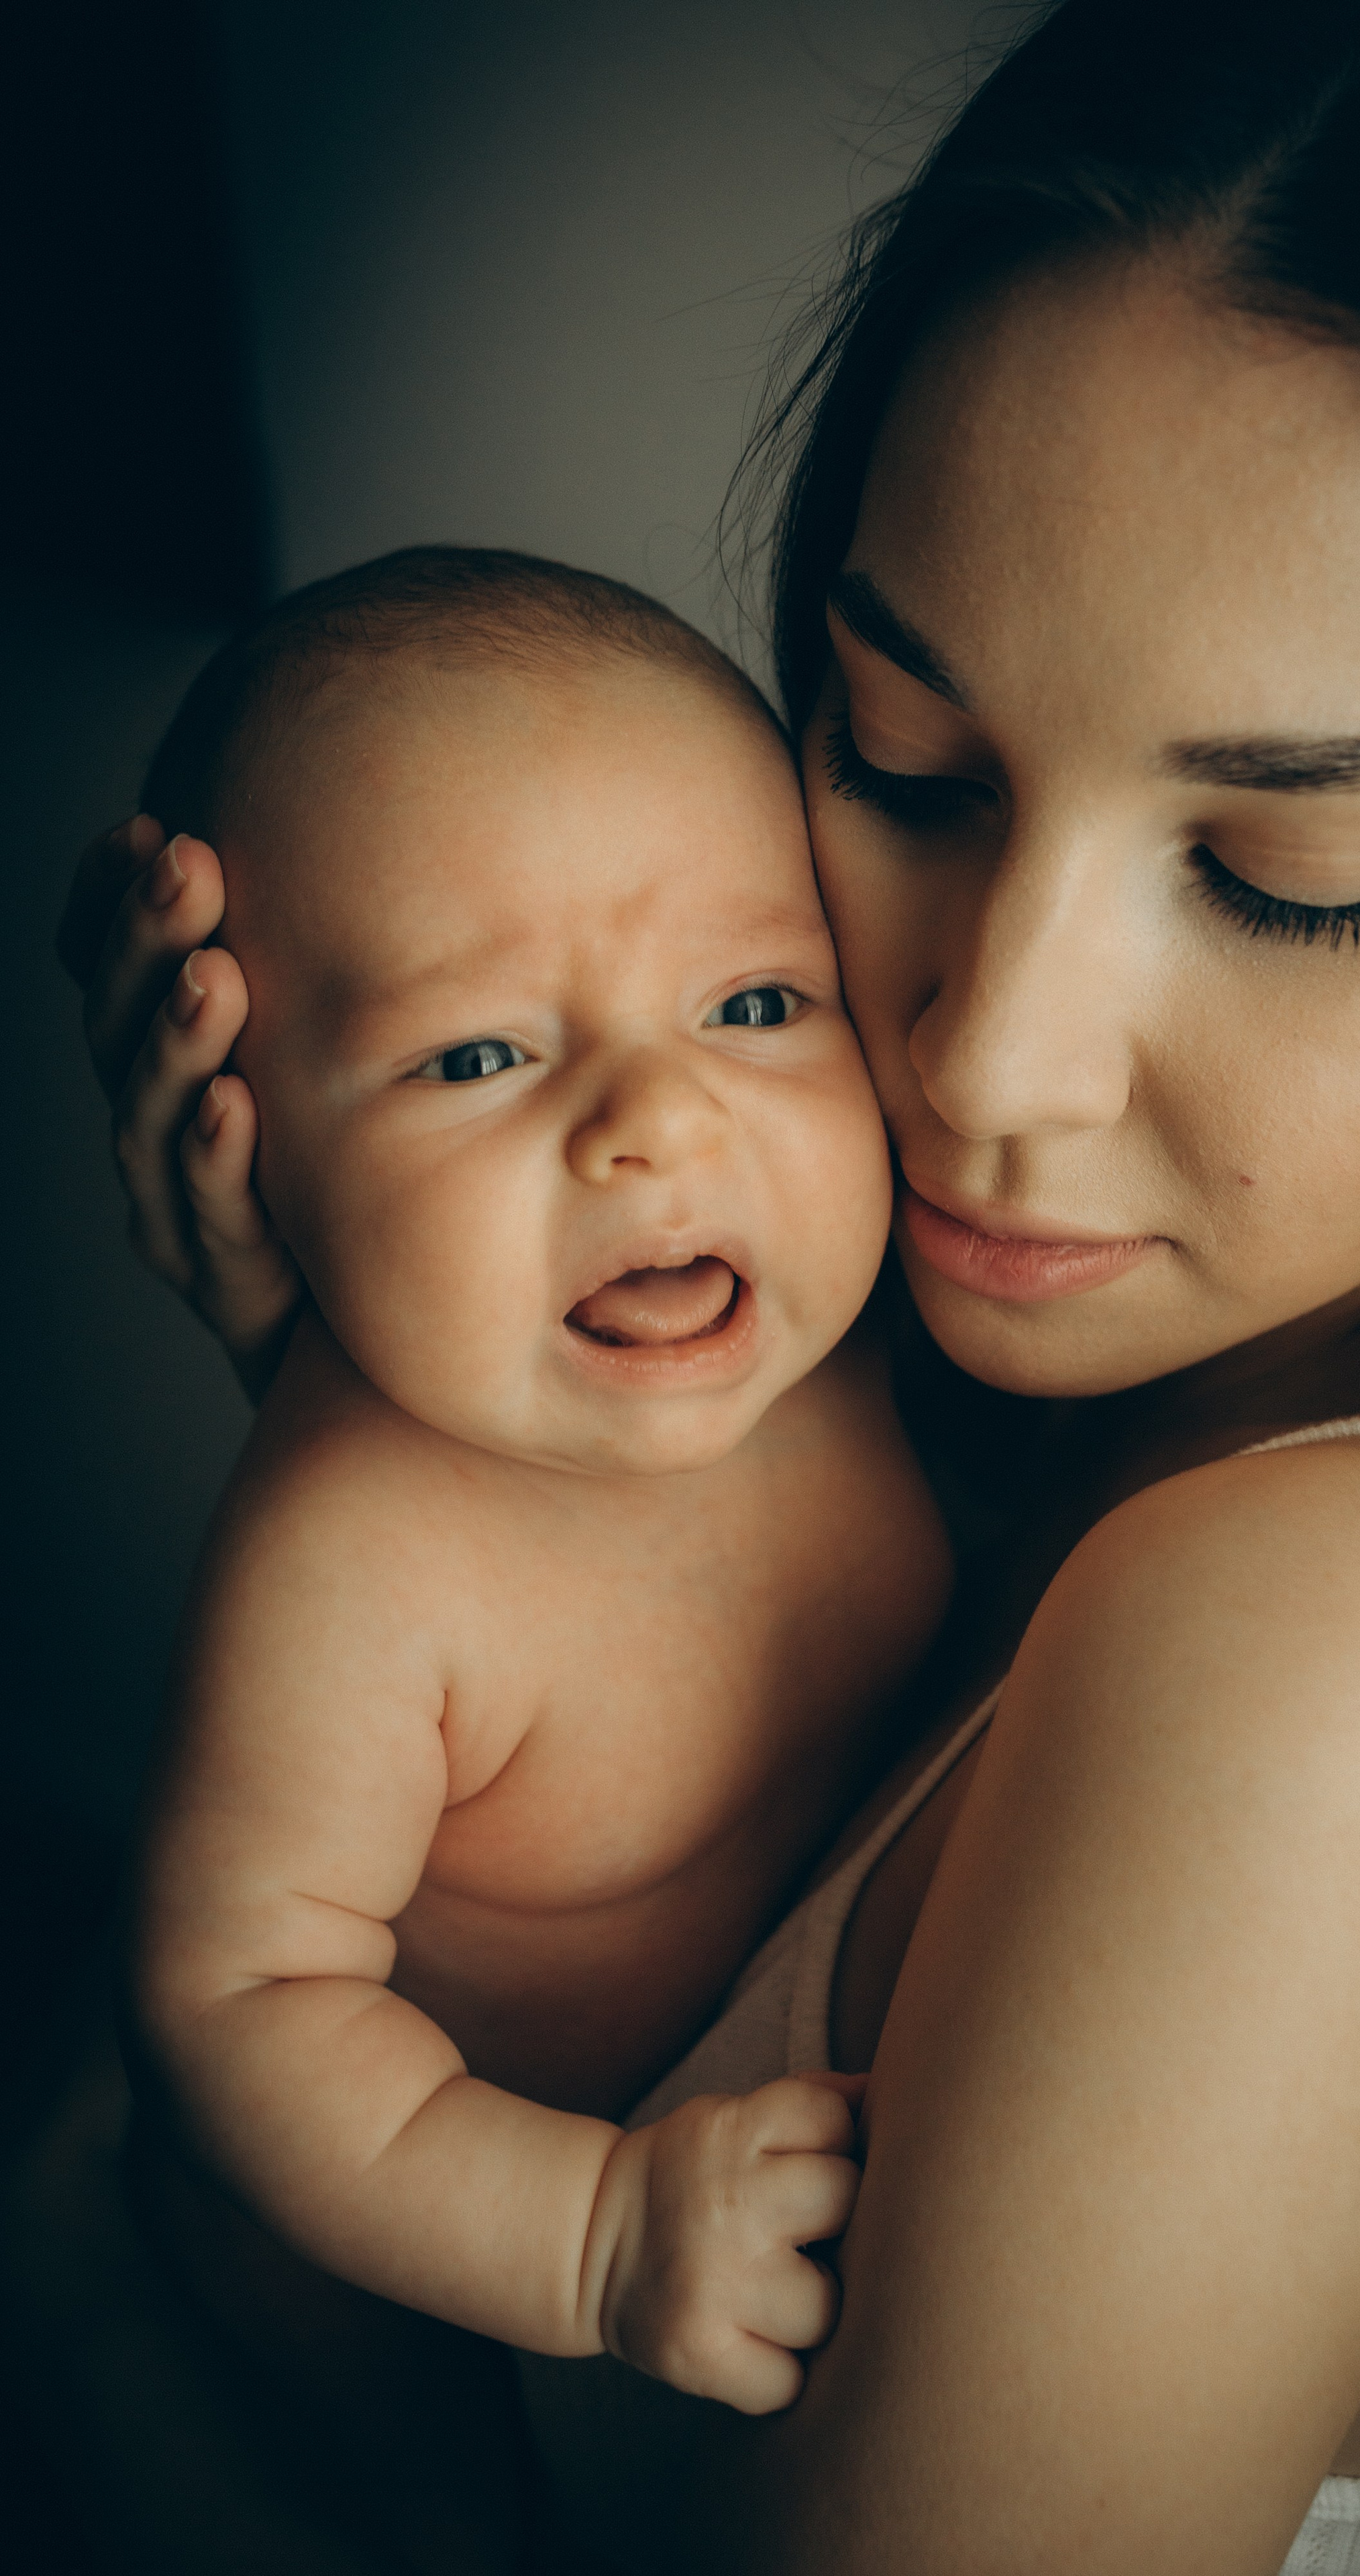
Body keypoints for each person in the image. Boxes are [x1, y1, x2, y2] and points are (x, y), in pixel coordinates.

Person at [57, 1, 1360, 2567]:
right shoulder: (994, 1405)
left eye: (1284, 881)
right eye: (905, 766)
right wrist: (401, 1409)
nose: (980, 1057)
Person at [123, 546, 952, 2420]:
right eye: (478, 1053)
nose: (657, 1121)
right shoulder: (360, 1553)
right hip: (372, 2289)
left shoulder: (880, 1346)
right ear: (253, 1161)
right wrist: (584, 2234)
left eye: (752, 1004)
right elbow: (239, 2004)